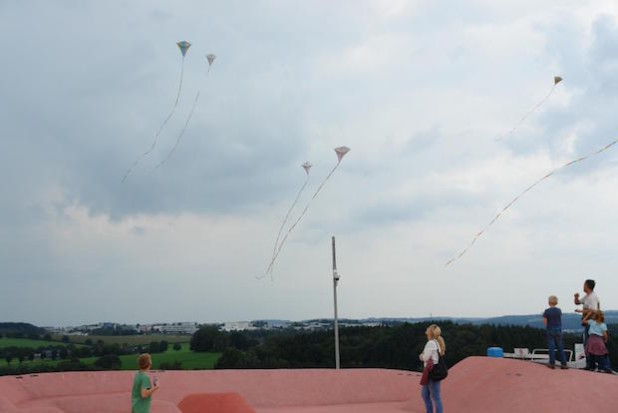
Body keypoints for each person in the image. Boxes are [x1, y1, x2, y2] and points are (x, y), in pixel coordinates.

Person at [574, 279, 600, 369]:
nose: (583, 286)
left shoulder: (592, 297)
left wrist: (585, 318)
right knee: (588, 344)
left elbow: (593, 311)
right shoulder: (587, 296)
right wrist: (576, 297)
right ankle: (590, 364)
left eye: (584, 284)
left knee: (589, 344)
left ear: (587, 286)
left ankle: (591, 365)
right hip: (588, 323)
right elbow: (577, 302)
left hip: (591, 323)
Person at [419, 324, 445, 413]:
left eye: (427, 330)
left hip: (432, 373)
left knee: (435, 397)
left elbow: (425, 357)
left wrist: (421, 356)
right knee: (425, 394)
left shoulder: (431, 343)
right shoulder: (437, 342)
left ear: (430, 332)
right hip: (432, 372)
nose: (426, 332)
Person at [542, 295, 568, 369]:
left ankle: (552, 363)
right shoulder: (559, 310)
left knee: (551, 346)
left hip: (550, 329)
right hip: (558, 329)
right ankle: (564, 363)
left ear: (549, 302)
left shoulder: (547, 311)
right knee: (560, 346)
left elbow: (544, 321)